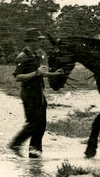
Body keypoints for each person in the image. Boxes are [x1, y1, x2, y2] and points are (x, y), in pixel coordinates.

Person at [8, 29, 62, 158]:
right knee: (33, 123)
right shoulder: (22, 56)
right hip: (29, 93)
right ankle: (15, 144)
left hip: (38, 92)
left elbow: (40, 73)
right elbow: (18, 77)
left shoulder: (35, 55)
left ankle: (35, 151)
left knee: (42, 123)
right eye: (38, 40)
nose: (40, 43)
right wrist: (35, 73)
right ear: (31, 42)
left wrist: (54, 74)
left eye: (41, 40)